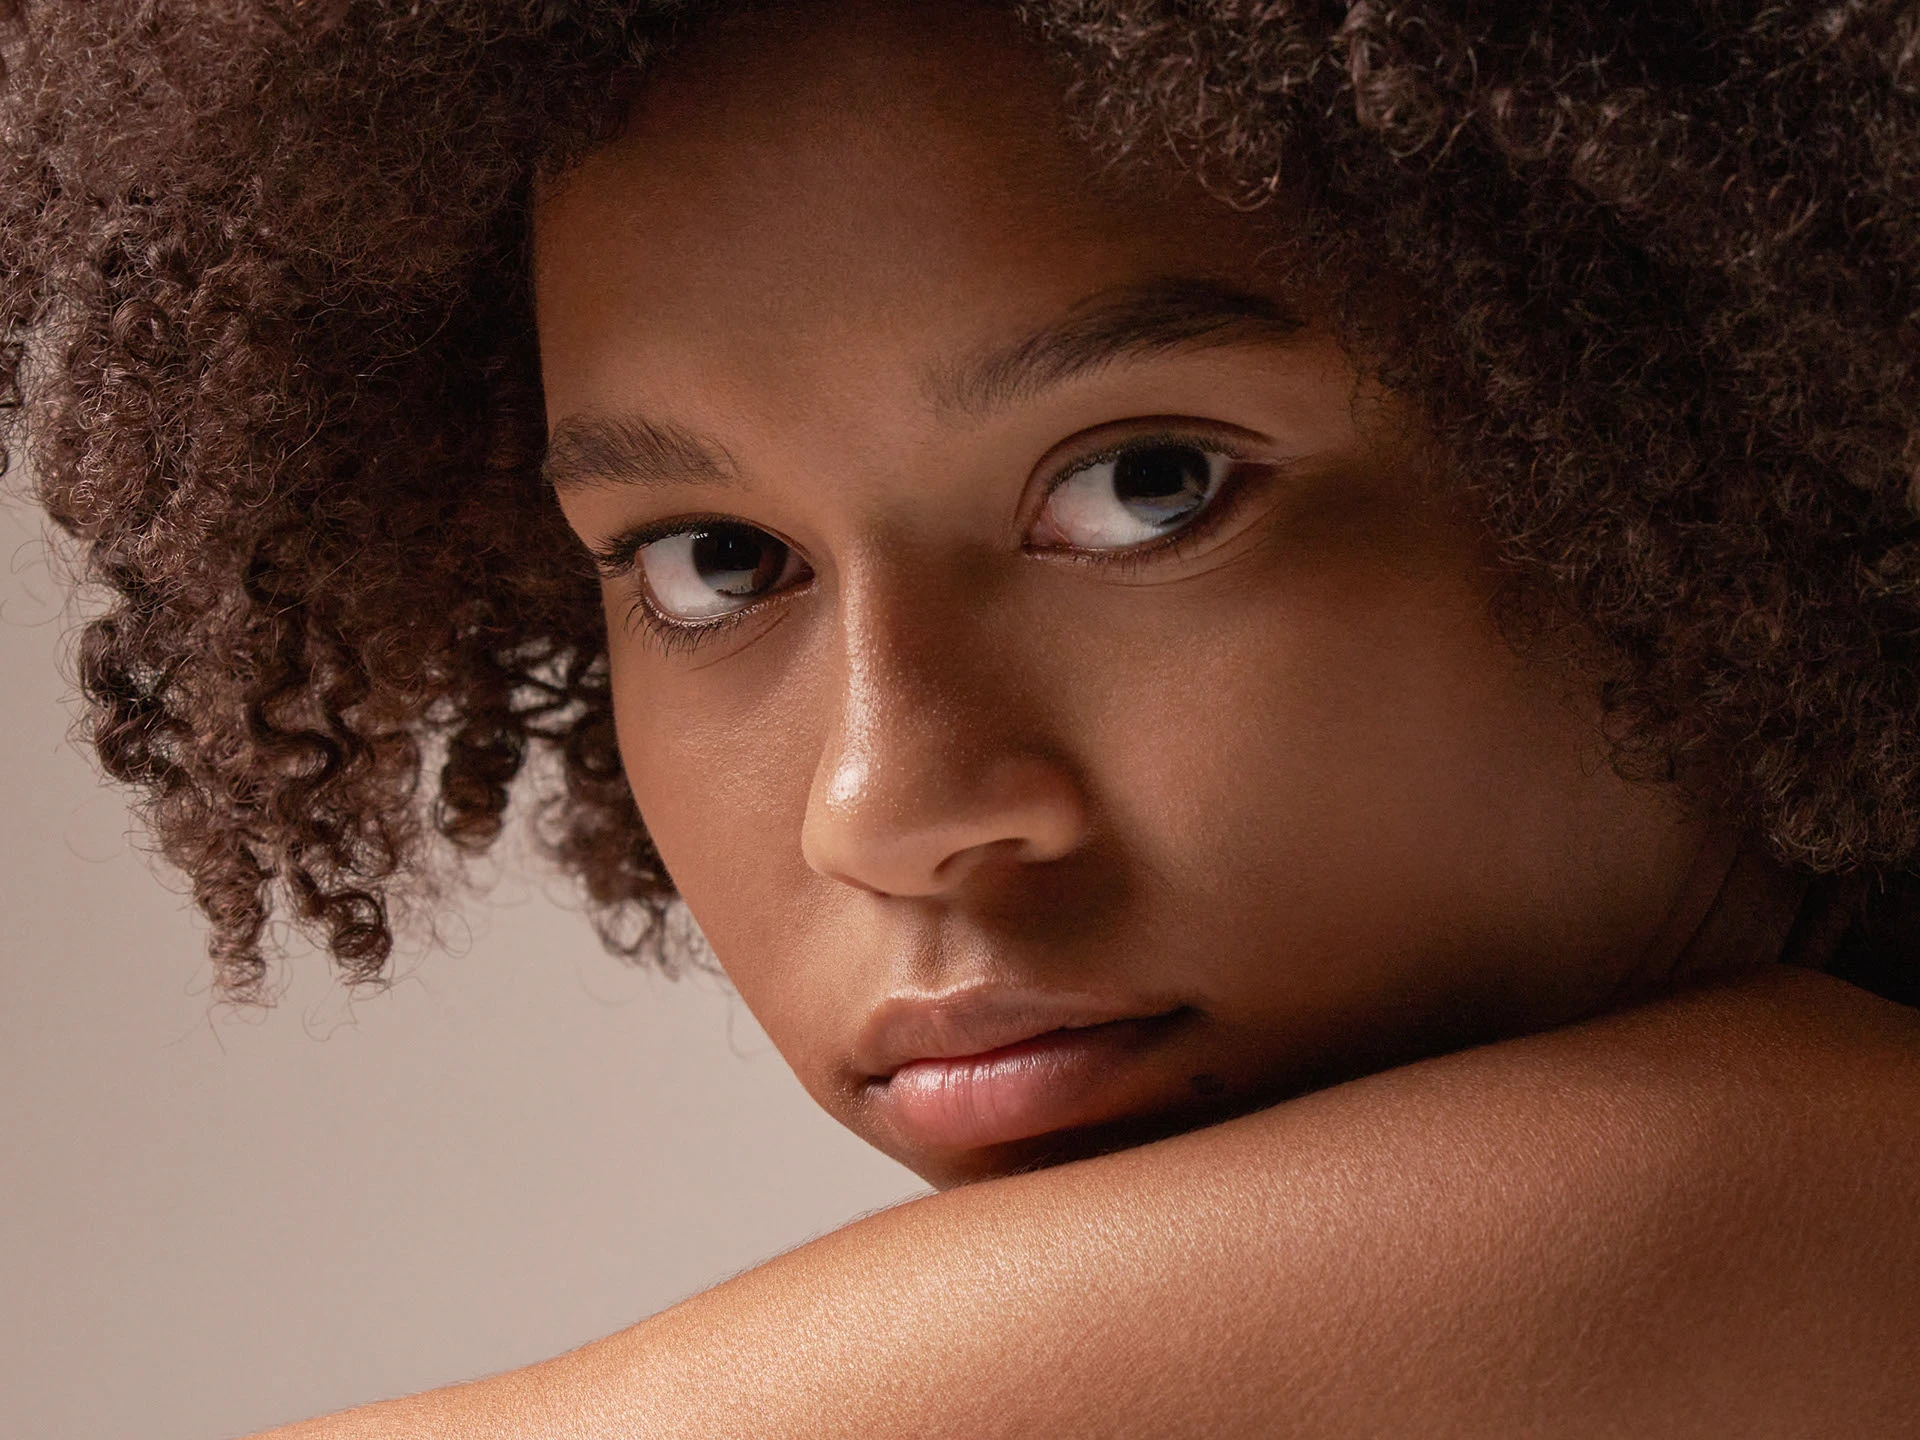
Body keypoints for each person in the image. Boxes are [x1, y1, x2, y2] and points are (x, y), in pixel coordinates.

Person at [3, 0, 1916, 1434]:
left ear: (1739, 446)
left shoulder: (1809, 1192)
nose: (882, 803)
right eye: (716, 564)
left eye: (1149, 484)